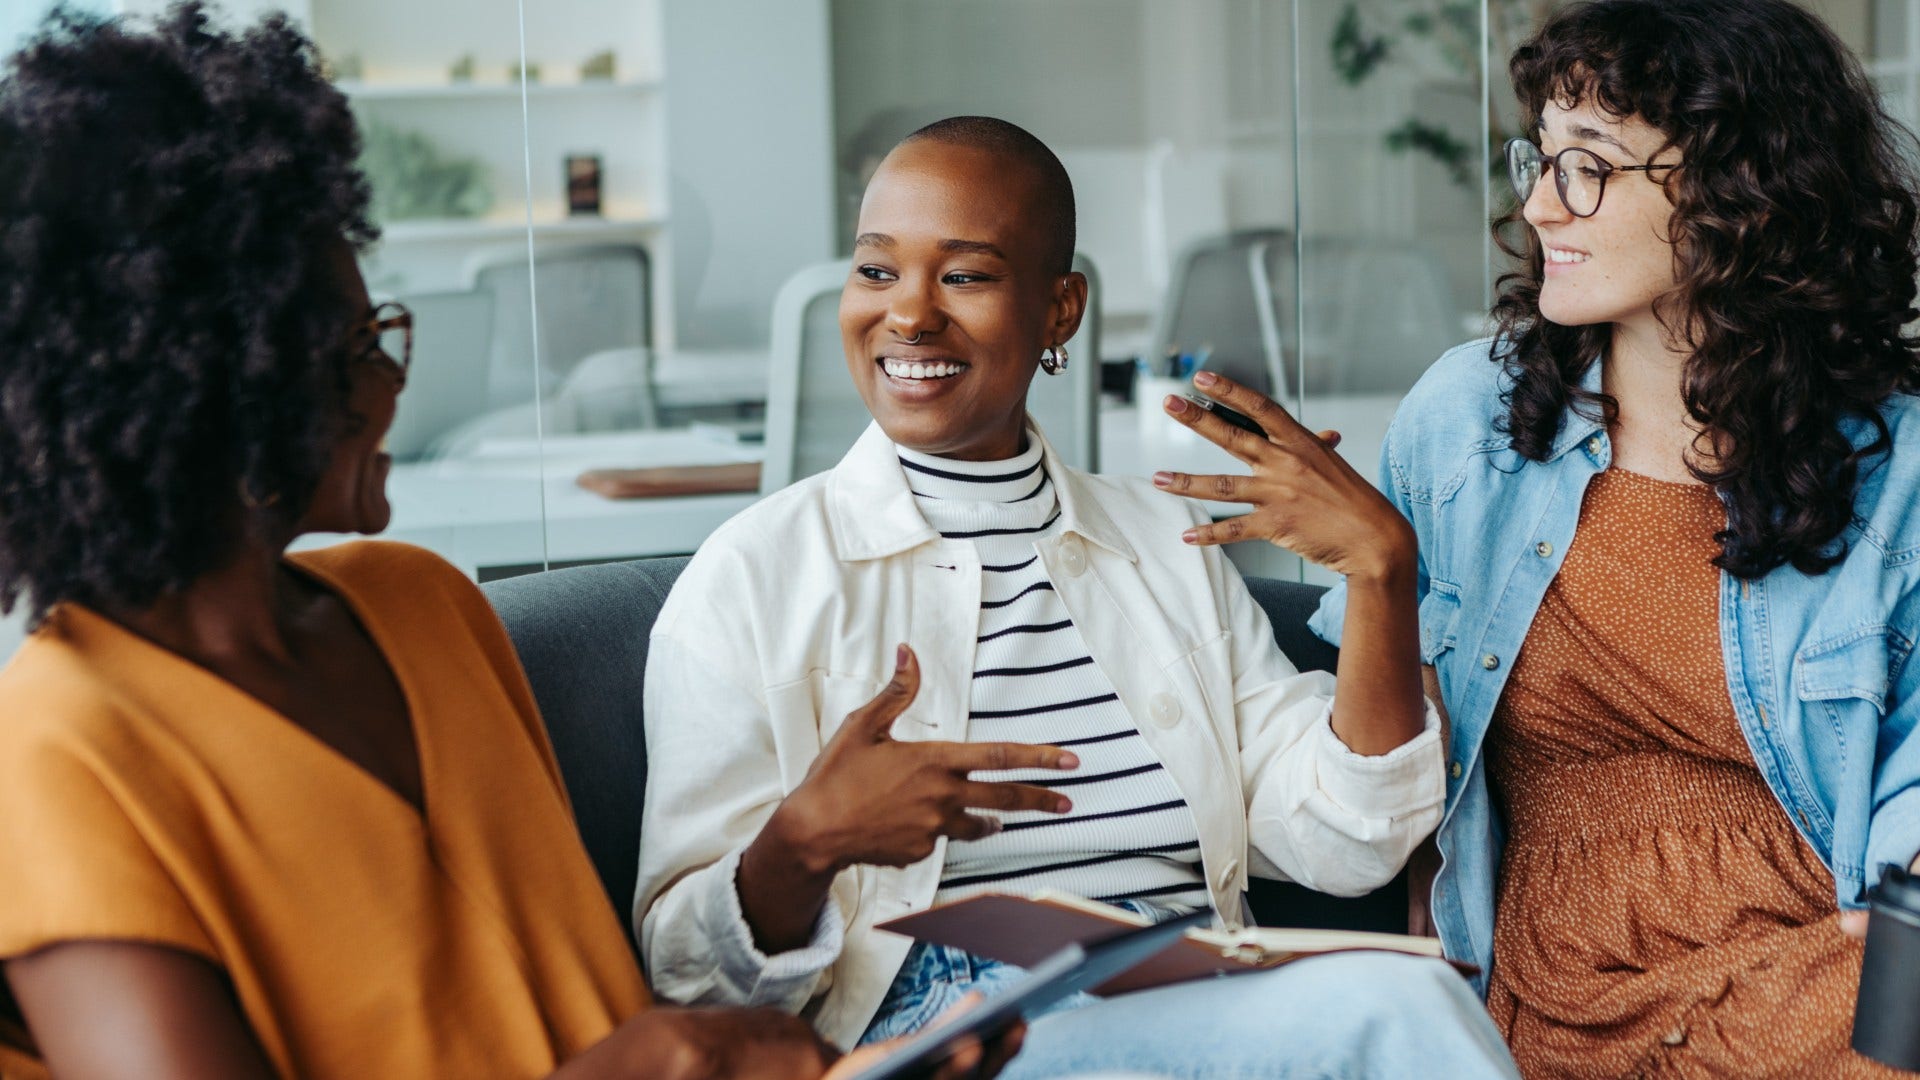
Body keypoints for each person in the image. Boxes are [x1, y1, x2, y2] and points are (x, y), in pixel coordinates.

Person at [0, 8, 1014, 1078]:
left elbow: (582, 1011)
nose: (393, 384)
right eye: (359, 347)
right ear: (214, 391)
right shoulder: (62, 754)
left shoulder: (422, 607)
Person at [634, 115, 1519, 1078]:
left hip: (1187, 994)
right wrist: (802, 845)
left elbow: (1349, 843)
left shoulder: (1161, 544)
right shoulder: (753, 575)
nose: (909, 313)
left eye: (964, 276)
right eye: (876, 270)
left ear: (1060, 310)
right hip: (952, 1028)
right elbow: (691, 985)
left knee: (1409, 996)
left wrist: (1381, 573)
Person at [1160, 0, 1920, 1075]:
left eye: (1588, 168)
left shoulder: (1898, 464)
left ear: (1740, 193)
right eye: (1542, 159)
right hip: (1565, 979)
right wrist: (1379, 571)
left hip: (1823, 951)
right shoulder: (1466, 422)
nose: (1538, 205)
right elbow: (1393, 775)